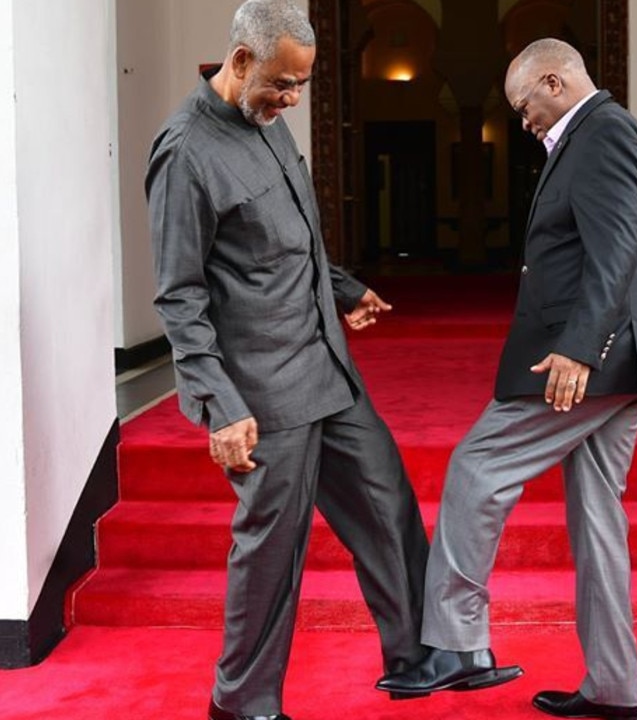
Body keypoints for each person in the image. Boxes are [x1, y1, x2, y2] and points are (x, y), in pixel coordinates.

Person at [144, 2, 429, 718]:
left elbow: (289, 239)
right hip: (262, 390)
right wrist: (218, 404)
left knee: (388, 502)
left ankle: (420, 657)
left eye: (301, 85)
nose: (292, 100)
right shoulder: (184, 153)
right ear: (240, 62)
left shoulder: (266, 119)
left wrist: (342, 288)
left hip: (326, 364)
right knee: (273, 550)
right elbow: (179, 297)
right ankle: (242, 702)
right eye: (282, 83)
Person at [376, 38, 637, 720]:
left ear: (552, 80)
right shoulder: (592, 136)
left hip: (584, 365)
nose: (523, 120)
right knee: (598, 523)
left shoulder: (604, 133)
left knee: (477, 467)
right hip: (613, 361)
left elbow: (616, 253)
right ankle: (615, 687)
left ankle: (456, 644)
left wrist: (580, 350)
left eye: (524, 105)